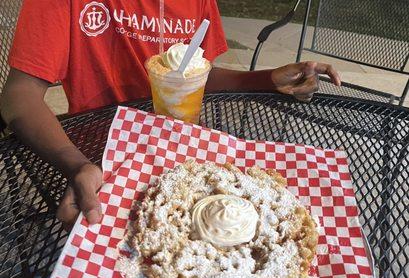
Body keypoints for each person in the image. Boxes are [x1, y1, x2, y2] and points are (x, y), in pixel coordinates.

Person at [0, 0, 341, 231]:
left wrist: (266, 79)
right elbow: (19, 97)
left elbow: (196, 72)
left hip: (185, 153)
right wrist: (77, 165)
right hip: (103, 161)